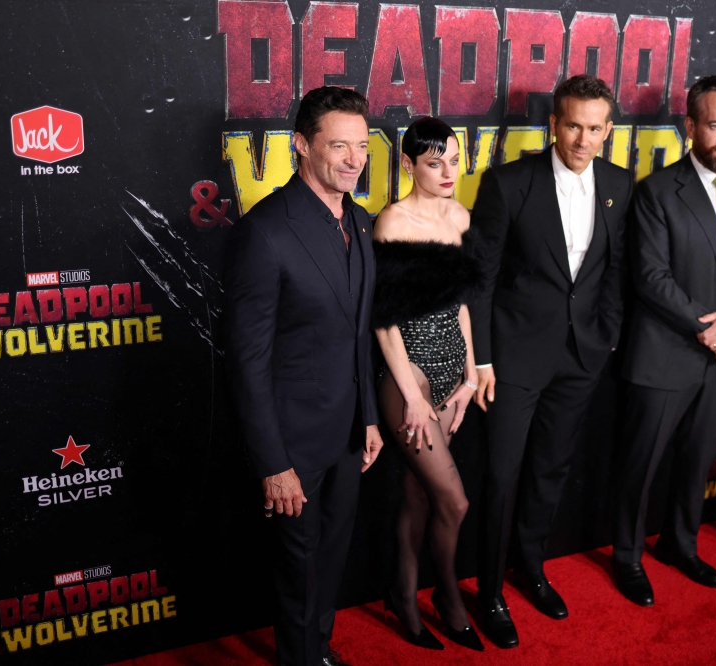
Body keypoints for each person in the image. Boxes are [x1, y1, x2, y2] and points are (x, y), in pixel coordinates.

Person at [469, 74, 632, 648]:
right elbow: (481, 281)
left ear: (608, 130)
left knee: (551, 469)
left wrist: (606, 336)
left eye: (594, 129)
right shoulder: (509, 183)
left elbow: (613, 270)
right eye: (572, 126)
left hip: (582, 355)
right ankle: (488, 591)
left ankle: (530, 569)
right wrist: (482, 361)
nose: (583, 139)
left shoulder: (619, 182)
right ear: (553, 125)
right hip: (513, 357)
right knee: (501, 475)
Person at [224, 86, 383, 666]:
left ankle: (317, 651)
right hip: (291, 444)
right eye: (338, 146)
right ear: (300, 145)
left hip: (346, 432)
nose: (353, 159)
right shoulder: (265, 231)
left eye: (361, 146)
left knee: (332, 559)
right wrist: (272, 463)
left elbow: (357, 331)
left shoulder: (360, 222)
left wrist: (368, 416)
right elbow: (247, 359)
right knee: (298, 571)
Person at [613, 74, 716, 605]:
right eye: (715, 125)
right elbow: (652, 278)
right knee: (640, 465)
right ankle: (628, 557)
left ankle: (681, 544)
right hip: (666, 355)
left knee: (697, 462)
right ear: (691, 127)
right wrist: (713, 329)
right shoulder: (658, 191)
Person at [372, 117, 484, 652]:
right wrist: (414, 397)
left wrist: (468, 374)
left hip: (448, 373)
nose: (446, 172)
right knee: (454, 502)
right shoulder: (394, 220)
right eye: (433, 163)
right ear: (409, 165)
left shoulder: (462, 217)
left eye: (453, 160)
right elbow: (384, 322)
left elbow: (460, 304)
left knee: (419, 498)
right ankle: (448, 597)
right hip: (407, 376)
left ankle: (401, 591)